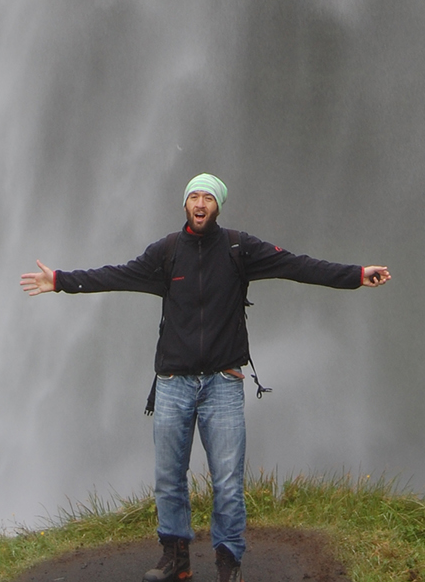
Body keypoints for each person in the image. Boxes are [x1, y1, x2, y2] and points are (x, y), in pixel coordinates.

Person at [22, 173, 390, 582]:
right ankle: (174, 559)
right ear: (185, 204)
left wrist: (356, 274)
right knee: (168, 477)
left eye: (208, 198)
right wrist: (59, 282)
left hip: (222, 383)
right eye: (194, 196)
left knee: (228, 480)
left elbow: (297, 266)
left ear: (218, 206)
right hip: (173, 382)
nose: (200, 204)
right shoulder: (166, 252)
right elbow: (115, 275)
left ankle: (228, 562)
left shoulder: (239, 248)